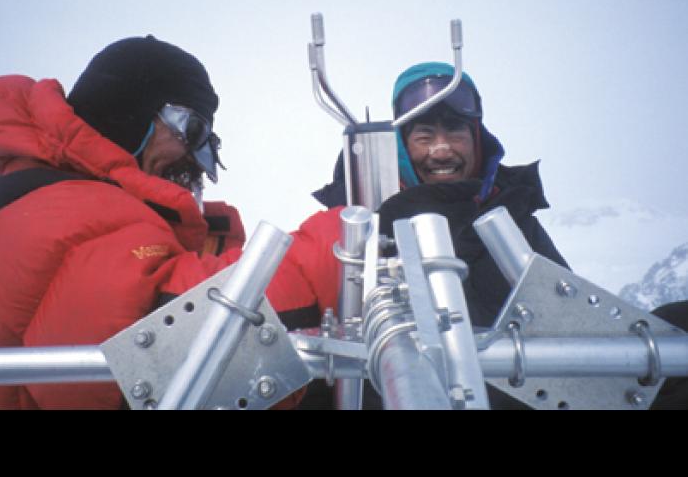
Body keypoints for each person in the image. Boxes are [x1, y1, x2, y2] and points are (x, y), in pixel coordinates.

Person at [268, 61, 688, 409]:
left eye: (455, 132)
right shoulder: (348, 229)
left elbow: (573, 324)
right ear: (398, 145)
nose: (442, 149)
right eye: (424, 135)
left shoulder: (511, 220)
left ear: (478, 140)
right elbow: (276, 338)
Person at [0, 35, 247, 409]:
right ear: (133, 113)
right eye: (192, 132)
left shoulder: (32, 199)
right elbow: (169, 338)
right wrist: (317, 255)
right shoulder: (83, 213)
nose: (194, 159)